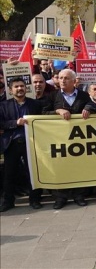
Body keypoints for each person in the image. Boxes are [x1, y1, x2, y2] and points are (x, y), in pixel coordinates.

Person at [43, 69, 96, 209]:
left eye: (66, 78)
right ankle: (60, 197)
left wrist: (87, 108)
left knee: (78, 168)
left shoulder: (83, 95)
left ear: (74, 81)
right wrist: (57, 111)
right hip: (59, 140)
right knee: (60, 168)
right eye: (61, 78)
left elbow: (94, 107)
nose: (62, 80)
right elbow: (42, 113)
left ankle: (79, 195)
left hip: (78, 140)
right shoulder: (52, 96)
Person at [0, 78, 44, 212]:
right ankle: (8, 202)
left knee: (33, 172)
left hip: (31, 143)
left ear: (26, 88)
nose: (19, 89)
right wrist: (15, 123)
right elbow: (1, 124)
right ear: (11, 90)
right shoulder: (3, 106)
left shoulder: (35, 104)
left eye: (22, 86)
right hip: (11, 143)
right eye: (16, 87)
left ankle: (35, 199)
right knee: (9, 174)